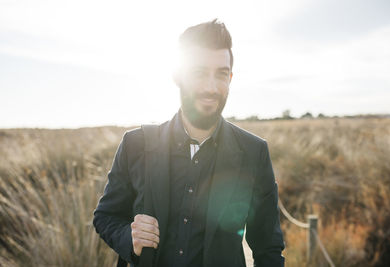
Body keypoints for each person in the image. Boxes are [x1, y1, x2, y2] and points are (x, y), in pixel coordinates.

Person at [93, 19, 285, 267]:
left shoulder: (254, 152)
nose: (211, 87)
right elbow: (106, 216)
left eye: (221, 74)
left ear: (231, 78)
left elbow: (268, 248)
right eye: (199, 72)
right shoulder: (135, 144)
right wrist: (128, 237)